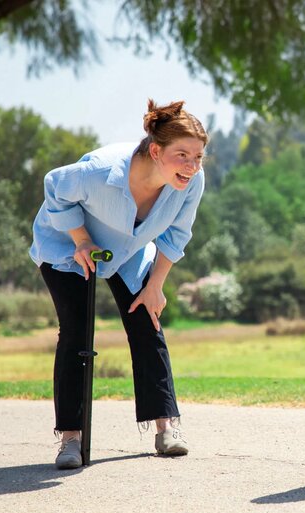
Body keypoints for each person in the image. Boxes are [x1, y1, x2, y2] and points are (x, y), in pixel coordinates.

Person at [30, 99, 208, 469]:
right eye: (183, 155)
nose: (192, 166)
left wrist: (155, 285)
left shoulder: (190, 183)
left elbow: (176, 235)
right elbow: (54, 186)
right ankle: (70, 439)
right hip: (68, 247)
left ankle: (166, 428)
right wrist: (80, 239)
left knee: (147, 321)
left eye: (198, 156)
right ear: (156, 151)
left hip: (127, 251)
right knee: (77, 332)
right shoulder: (102, 172)